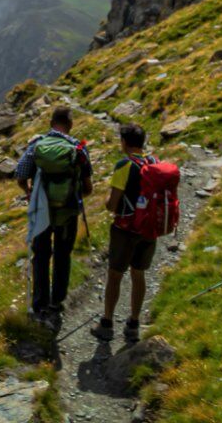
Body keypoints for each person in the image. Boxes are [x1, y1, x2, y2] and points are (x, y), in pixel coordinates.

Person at [17, 106, 92, 322]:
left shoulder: (36, 146)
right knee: (62, 254)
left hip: (42, 212)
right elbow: (88, 187)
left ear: (51, 123)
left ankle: (39, 304)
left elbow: (20, 175)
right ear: (70, 125)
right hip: (67, 213)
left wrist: (29, 193)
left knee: (41, 256)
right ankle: (57, 301)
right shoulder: (77, 148)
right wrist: (72, 196)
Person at [92, 124, 155, 343]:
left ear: (125, 142)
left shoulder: (125, 165)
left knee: (115, 274)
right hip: (149, 229)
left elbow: (112, 205)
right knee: (139, 274)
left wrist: (106, 200)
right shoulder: (153, 163)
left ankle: (107, 323)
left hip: (125, 230)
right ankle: (133, 323)